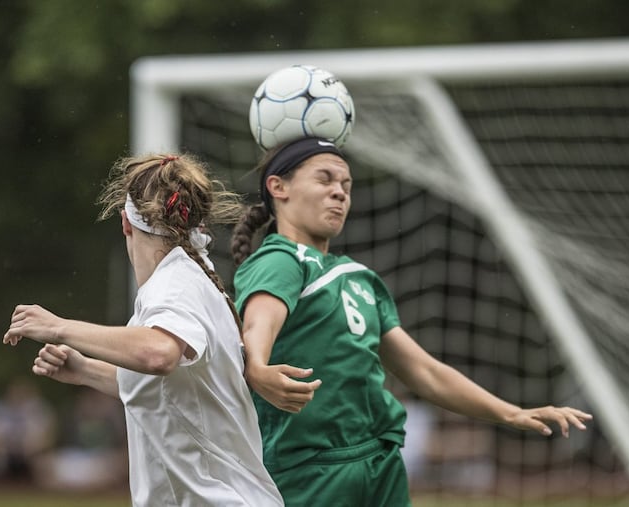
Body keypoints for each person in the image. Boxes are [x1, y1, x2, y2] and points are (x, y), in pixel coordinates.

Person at [230, 136, 593, 507]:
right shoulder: (280, 260)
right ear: (279, 187)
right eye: (325, 180)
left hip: (379, 462)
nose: (339, 193)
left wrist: (512, 413)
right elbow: (259, 325)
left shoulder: (358, 277)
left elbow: (425, 372)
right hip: (310, 470)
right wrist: (256, 366)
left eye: (346, 185)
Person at [3, 153, 284, 507]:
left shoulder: (174, 284)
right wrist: (86, 369)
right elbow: (170, 391)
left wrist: (59, 327)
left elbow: (158, 354)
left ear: (125, 222)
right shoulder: (186, 279)